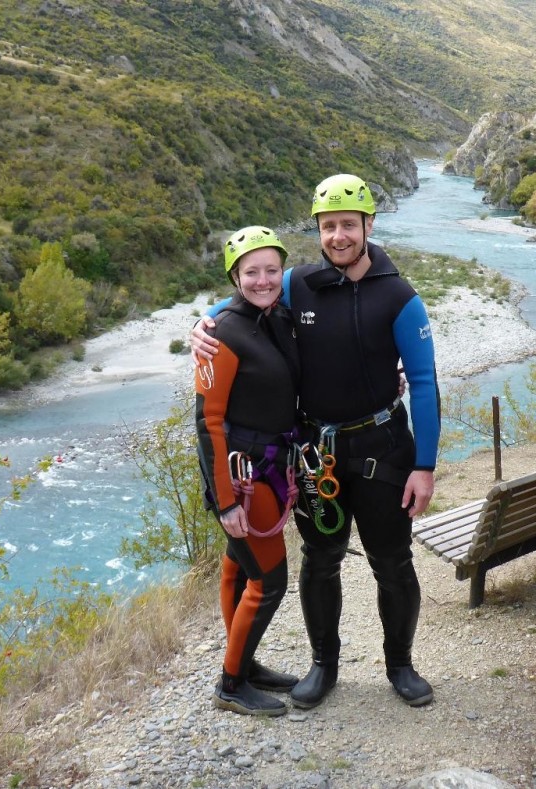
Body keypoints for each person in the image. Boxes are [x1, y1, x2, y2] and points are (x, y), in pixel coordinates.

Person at [192, 174, 440, 709]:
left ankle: (400, 664)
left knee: (392, 562)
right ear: (319, 231)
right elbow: (241, 297)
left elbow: (424, 383)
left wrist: (425, 465)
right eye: (329, 227)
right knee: (320, 561)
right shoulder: (298, 283)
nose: (338, 236)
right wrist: (203, 322)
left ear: (369, 226)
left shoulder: (400, 297)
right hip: (316, 454)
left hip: (383, 449)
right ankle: (323, 664)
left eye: (349, 225)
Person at [195, 225, 302, 717]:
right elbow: (208, 422)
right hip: (243, 476)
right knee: (270, 580)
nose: (263, 280)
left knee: (238, 566)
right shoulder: (220, 335)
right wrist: (226, 502)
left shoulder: (275, 316)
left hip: (269, 467)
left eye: (271, 270)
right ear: (235, 277)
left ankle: (245, 662)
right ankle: (231, 683)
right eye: (251, 272)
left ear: (282, 271)